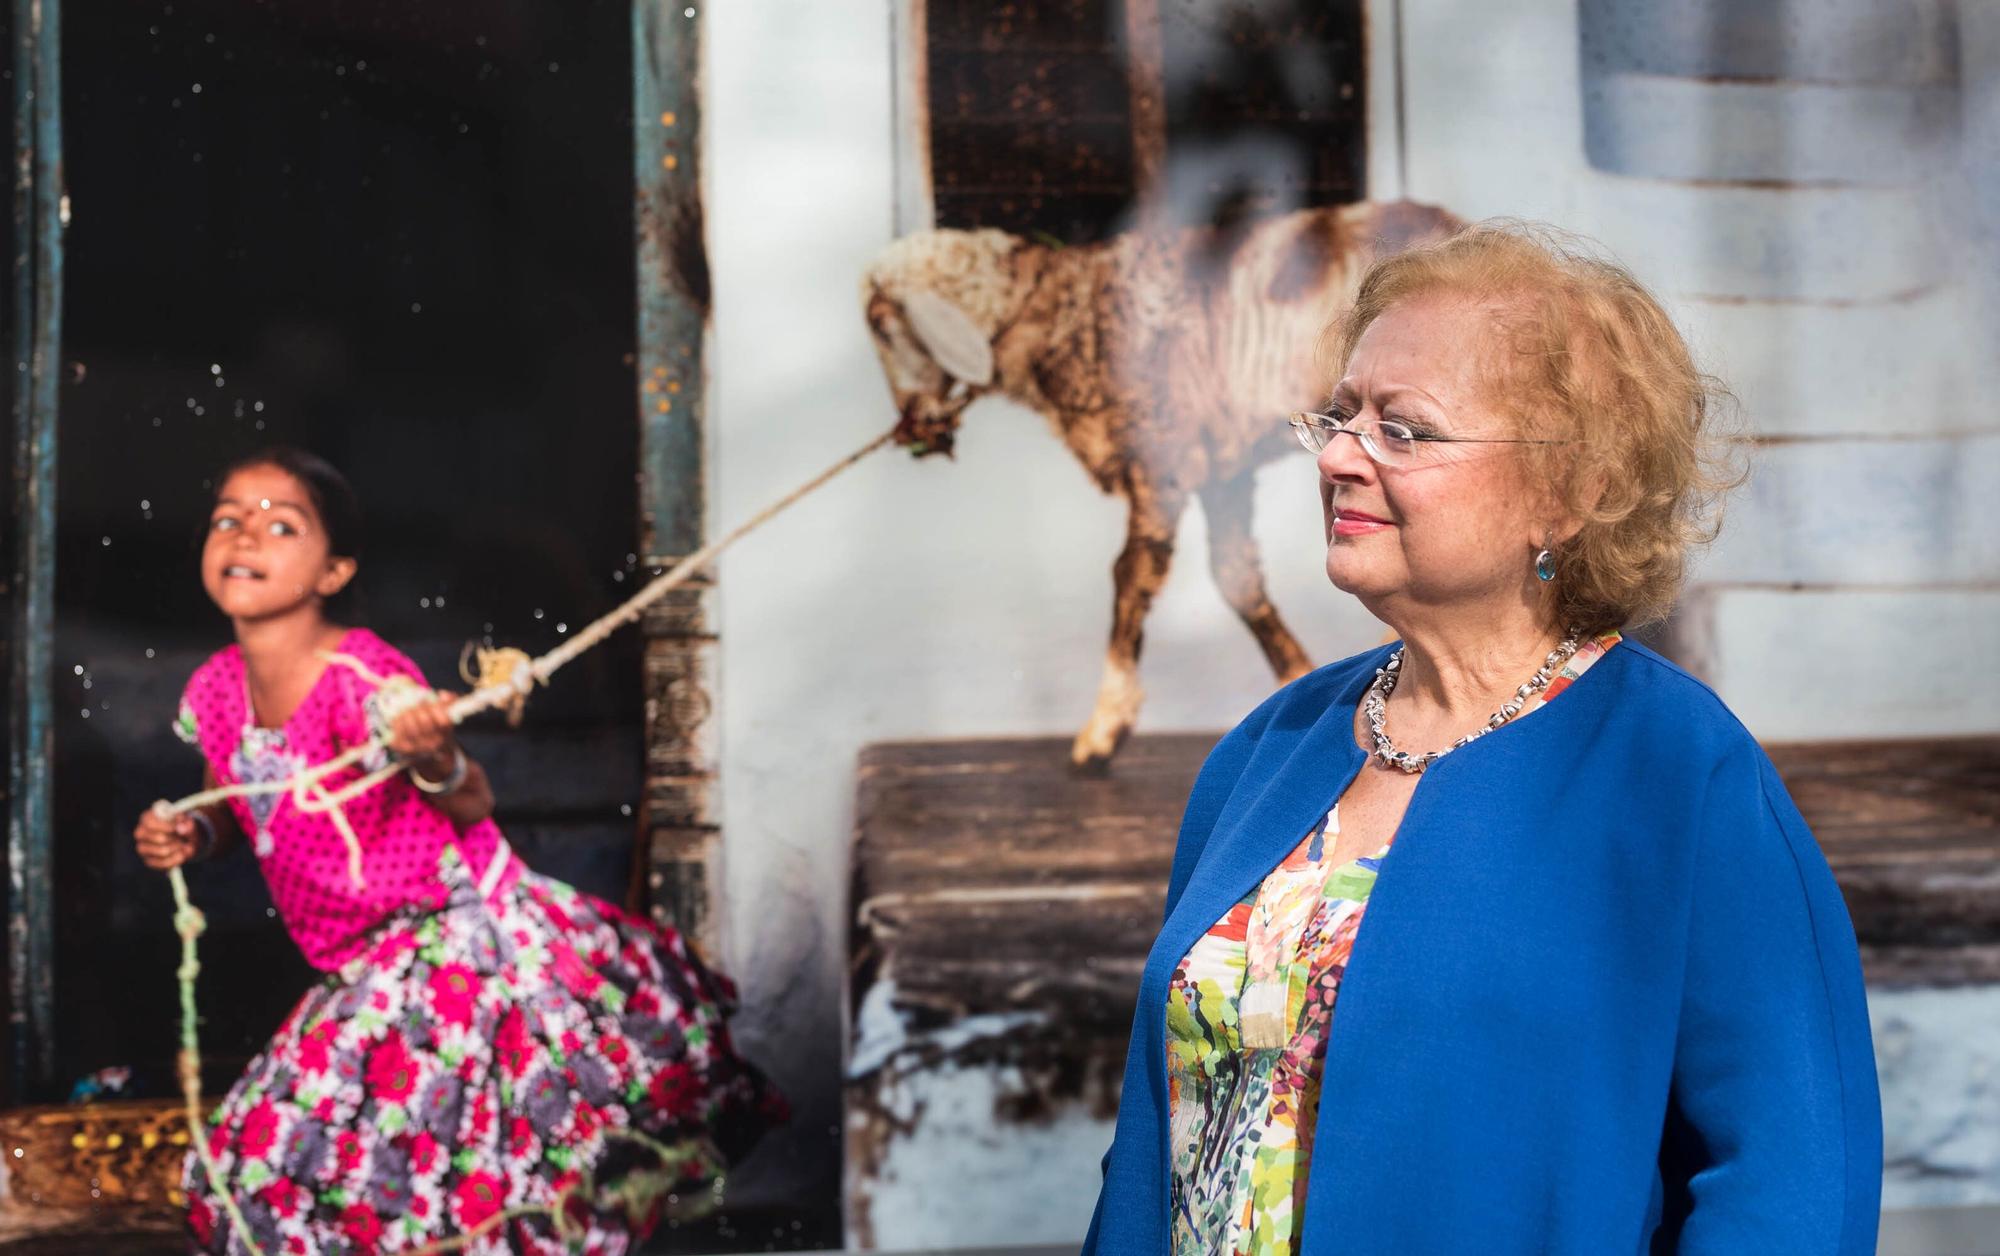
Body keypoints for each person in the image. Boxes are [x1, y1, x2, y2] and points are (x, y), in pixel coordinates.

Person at [1082, 222, 1882, 1255]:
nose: (1335, 455)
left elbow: (1791, 1182)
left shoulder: (1672, 767)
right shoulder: (1268, 747)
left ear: (1569, 490)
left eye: (1400, 430)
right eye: (1339, 415)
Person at [133, 445, 784, 1254]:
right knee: (312, 1169)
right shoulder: (217, 689)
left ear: (333, 573)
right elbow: (231, 796)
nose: (244, 537)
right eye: (228, 519)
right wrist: (193, 833)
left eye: (279, 524)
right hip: (360, 960)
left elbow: (472, 799)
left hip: (454, 941)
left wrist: (432, 754)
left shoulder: (367, 679)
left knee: (407, 1171)